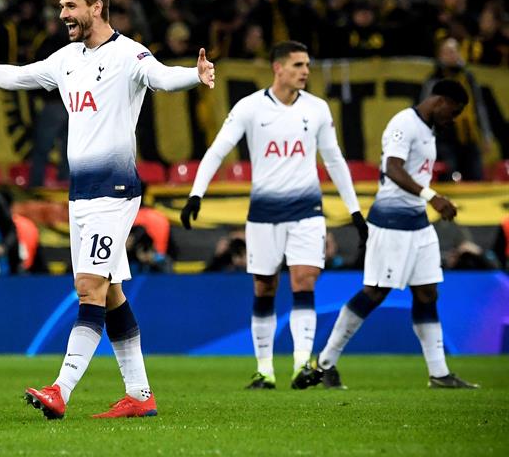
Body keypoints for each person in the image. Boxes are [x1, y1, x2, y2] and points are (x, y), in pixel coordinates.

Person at [0, 0, 214, 419]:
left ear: (97, 8)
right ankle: (140, 396)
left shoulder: (129, 55)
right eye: (62, 7)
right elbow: (15, 77)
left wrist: (194, 75)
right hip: (81, 193)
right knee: (110, 294)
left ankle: (60, 390)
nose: (63, 14)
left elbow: (160, 78)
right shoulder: (66, 59)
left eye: (71, 6)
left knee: (88, 287)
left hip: (115, 190)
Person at [180, 41, 367, 390]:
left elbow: (335, 160)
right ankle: (264, 371)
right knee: (264, 286)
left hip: (306, 211)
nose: (305, 71)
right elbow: (218, 150)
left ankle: (301, 367)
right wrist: (195, 194)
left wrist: (355, 210)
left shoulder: (318, 109)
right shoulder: (250, 108)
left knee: (304, 281)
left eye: (307, 65)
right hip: (264, 213)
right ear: (278, 68)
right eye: (298, 65)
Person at [313, 79, 480, 390]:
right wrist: (433, 196)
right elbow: (392, 167)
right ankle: (326, 362)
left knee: (427, 292)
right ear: (441, 101)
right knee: (375, 292)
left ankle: (439, 373)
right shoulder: (404, 123)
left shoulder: (427, 130)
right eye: (453, 112)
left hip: (417, 223)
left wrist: (428, 200)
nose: (452, 119)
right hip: (390, 222)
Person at [421, 37, 493, 181]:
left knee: (475, 177)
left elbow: (479, 107)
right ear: (440, 56)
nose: (451, 56)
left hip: (468, 136)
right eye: (446, 52)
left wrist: (486, 135)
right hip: (444, 138)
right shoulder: (434, 80)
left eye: (453, 52)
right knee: (449, 177)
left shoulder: (468, 78)